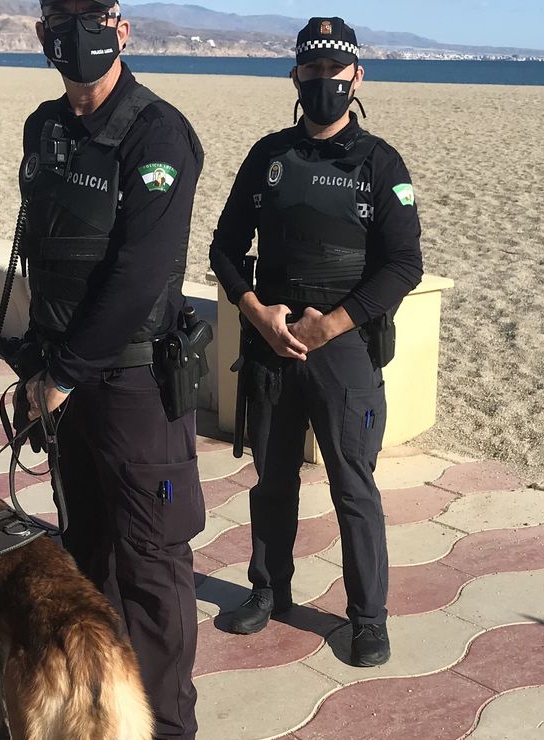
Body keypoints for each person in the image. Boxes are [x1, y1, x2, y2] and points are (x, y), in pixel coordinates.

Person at [17, 0, 204, 740]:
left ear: (122, 29)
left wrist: (65, 372)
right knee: (88, 555)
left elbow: (140, 274)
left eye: (95, 15)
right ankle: (101, 708)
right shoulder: (42, 129)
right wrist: (35, 367)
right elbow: (44, 257)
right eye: (64, 17)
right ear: (43, 35)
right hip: (64, 381)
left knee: (154, 565)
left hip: (132, 386)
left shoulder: (159, 135)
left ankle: (168, 739)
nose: (80, 34)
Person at [208, 16, 424, 666]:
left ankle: (368, 618)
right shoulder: (270, 156)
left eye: (336, 72)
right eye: (312, 71)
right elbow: (223, 248)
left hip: (343, 348)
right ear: (295, 76)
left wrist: (333, 323)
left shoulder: (380, 164)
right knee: (271, 481)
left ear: (357, 76)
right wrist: (256, 312)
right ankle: (267, 592)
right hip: (272, 345)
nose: (324, 82)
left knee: (352, 486)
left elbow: (403, 265)